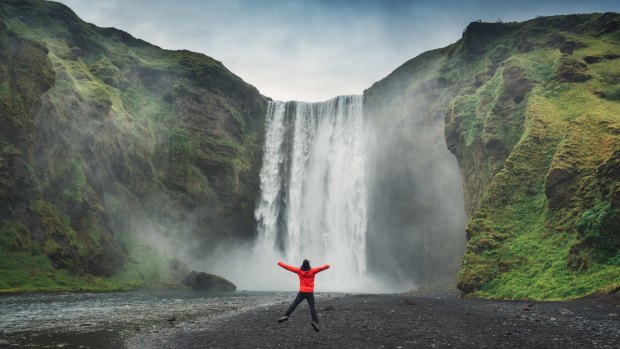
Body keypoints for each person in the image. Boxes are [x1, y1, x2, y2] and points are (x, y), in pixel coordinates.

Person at [276, 259, 330, 332]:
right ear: (309, 266)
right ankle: (315, 321)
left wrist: (279, 263)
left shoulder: (299, 271)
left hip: (302, 292)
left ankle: (286, 315)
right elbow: (322, 268)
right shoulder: (313, 271)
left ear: (302, 266)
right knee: (312, 307)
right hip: (310, 293)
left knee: (294, 304)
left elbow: (289, 267)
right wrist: (328, 265)